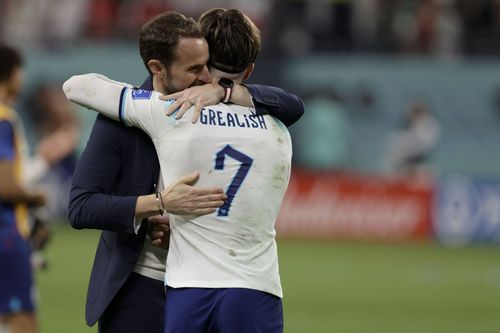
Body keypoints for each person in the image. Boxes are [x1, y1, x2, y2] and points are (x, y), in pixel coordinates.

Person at [67, 11, 304, 333]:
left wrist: (224, 92)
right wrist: (156, 205)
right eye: (195, 68)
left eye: (208, 67)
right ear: (158, 67)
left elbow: (292, 104)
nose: (205, 77)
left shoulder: (242, 109)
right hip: (144, 282)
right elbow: (82, 207)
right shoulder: (127, 117)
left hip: (194, 286)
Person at [0, 45, 74, 333]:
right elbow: (5, 186)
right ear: (12, 74)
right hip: (6, 238)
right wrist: (37, 197)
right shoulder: (4, 119)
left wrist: (40, 162)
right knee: (23, 324)